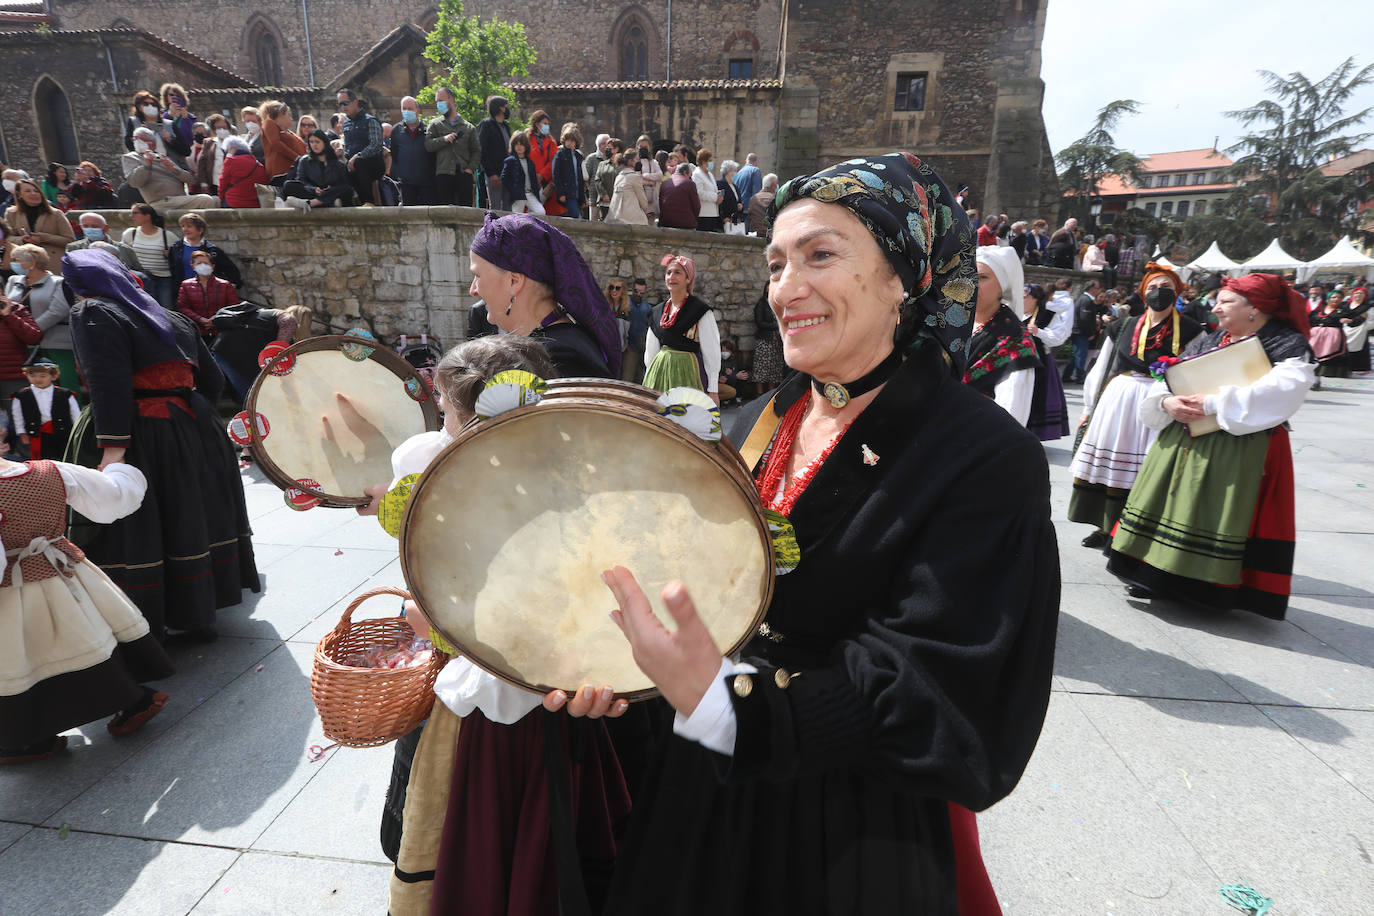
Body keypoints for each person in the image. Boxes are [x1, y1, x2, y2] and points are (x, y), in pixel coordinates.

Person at [556, 152, 1057, 915]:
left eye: (821, 255)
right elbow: (693, 596)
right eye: (776, 263)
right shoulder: (751, 423)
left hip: (843, 829)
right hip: (697, 795)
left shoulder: (982, 457)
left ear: (903, 279)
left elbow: (937, 681)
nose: (786, 288)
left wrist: (730, 707)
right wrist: (622, 670)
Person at [62, 249, 259, 643]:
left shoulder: (94, 312)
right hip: (194, 426)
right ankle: (197, 612)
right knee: (189, 514)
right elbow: (213, 382)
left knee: (140, 521)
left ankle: (144, 619)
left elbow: (108, 384)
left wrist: (113, 451)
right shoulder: (172, 316)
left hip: (140, 431)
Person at [1108, 273, 1316, 618]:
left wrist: (1212, 403)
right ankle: (1154, 575)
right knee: (1171, 505)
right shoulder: (1211, 339)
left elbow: (1281, 392)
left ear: (1255, 309)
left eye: (1226, 301)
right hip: (1184, 438)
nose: (1216, 307)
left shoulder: (1287, 346)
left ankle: (1202, 586)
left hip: (1241, 448)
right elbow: (1170, 376)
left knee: (1213, 512)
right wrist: (1165, 403)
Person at [0, 454, 174, 765]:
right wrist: (116, 470)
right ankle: (136, 699)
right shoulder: (50, 470)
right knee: (89, 639)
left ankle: (30, 737)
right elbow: (114, 497)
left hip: (14, 591)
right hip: (65, 574)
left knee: (25, 659)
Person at [1068, 263, 1202, 551]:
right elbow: (1103, 366)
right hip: (1121, 398)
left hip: (1162, 402)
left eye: (1166, 288)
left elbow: (1195, 370)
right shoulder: (1123, 325)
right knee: (1113, 467)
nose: (1158, 293)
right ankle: (1105, 528)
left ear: (1177, 292)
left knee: (1147, 468)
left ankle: (1135, 531)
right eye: (1152, 288)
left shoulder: (1191, 330)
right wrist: (1089, 407)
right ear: (1143, 293)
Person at [467, 212, 622, 379]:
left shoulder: (559, 361)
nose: (473, 290)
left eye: (478, 275)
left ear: (514, 282)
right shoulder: (556, 348)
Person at [963, 246, 1041, 425]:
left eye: (982, 277)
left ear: (1002, 286)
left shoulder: (1015, 342)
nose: (972, 282)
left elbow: (1010, 417)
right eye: (968, 273)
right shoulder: (951, 323)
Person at [643, 254, 720, 404]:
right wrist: (649, 378)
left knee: (686, 419)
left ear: (688, 279)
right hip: (659, 373)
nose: (672, 277)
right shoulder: (657, 311)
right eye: (669, 273)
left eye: (678, 272)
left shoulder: (700, 311)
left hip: (688, 372)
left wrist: (713, 389)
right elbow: (650, 351)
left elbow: (712, 352)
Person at [4, 244, 77, 397]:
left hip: (57, 342)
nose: (12, 263)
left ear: (32, 263)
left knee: (65, 383)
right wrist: (26, 332)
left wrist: (31, 329)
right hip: (26, 342)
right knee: (36, 387)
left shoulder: (59, 282)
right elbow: (8, 306)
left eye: (16, 260)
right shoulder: (13, 280)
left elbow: (57, 311)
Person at [122, 127, 219, 210]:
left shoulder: (161, 157)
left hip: (179, 199)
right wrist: (147, 166)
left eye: (141, 140)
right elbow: (134, 182)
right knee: (206, 200)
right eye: (135, 139)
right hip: (161, 201)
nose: (137, 142)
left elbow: (192, 180)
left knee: (216, 200)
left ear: (152, 144)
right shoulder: (131, 157)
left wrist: (174, 169)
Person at [1021, 283, 1072, 441]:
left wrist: (1039, 332)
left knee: (1036, 396)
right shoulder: (1012, 312)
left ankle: (1031, 435)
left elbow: (1059, 337)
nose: (1020, 299)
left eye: (1024, 296)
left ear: (1035, 299)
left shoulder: (1048, 315)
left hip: (1039, 363)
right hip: (1013, 362)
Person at [10, 355, 81, 460]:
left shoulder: (65, 394)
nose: (37, 379)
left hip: (63, 433)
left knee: (65, 458)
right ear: (26, 375)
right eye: (32, 376)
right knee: (43, 459)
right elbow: (18, 416)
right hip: (38, 434)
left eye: (42, 376)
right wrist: (22, 432)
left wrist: (77, 431)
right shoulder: (21, 395)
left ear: (53, 376)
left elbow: (75, 414)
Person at [4, 179, 75, 278]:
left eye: (36, 191)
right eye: (28, 191)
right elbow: (6, 237)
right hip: (24, 263)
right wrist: (22, 240)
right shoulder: (11, 213)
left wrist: (44, 238)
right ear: (19, 195)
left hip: (53, 262)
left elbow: (70, 240)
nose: (34, 194)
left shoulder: (56, 214)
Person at [426, 86, 479, 207]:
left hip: (464, 174)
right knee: (444, 211)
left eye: (441, 100)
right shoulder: (434, 124)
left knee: (465, 210)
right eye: (437, 101)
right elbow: (428, 145)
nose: (438, 104)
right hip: (443, 174)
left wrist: (470, 169)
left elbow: (476, 151)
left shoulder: (468, 127)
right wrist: (443, 139)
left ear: (451, 100)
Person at [119, 203, 179, 310]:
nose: (131, 216)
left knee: (167, 308)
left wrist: (170, 254)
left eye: (135, 213)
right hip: (140, 278)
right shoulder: (130, 234)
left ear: (147, 216)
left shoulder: (167, 235)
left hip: (163, 279)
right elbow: (124, 254)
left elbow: (179, 255)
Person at [168, 212, 242, 289]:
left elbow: (230, 269)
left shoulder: (212, 250)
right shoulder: (176, 247)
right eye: (183, 226)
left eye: (189, 226)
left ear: (200, 230)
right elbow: (172, 269)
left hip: (208, 291)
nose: (185, 229)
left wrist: (231, 285)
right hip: (184, 291)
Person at [338, 88, 386, 205]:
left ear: (355, 102)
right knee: (338, 169)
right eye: (340, 104)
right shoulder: (346, 124)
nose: (343, 107)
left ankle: (369, 201)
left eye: (345, 103)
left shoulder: (370, 121)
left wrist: (358, 156)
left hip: (372, 163)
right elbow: (348, 148)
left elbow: (376, 145)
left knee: (360, 162)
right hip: (353, 164)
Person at [283, 130, 354, 209]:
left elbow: (344, 184)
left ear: (324, 143)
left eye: (317, 142)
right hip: (313, 192)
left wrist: (330, 189)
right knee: (288, 185)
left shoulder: (338, 164)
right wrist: (314, 189)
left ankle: (312, 203)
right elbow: (302, 180)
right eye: (311, 142)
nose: (314, 145)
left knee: (346, 189)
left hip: (331, 192)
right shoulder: (304, 161)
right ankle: (328, 202)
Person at [176, 250, 237, 339]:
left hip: (221, 331)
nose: (203, 266)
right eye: (199, 263)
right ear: (193, 266)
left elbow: (234, 306)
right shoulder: (186, 285)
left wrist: (215, 320)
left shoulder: (225, 285)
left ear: (212, 266)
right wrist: (200, 319)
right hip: (197, 332)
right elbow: (183, 307)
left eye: (206, 263)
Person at [391, 96, 436, 206]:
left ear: (417, 110)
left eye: (410, 108)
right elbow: (394, 155)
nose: (407, 111)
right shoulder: (396, 130)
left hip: (427, 183)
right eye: (404, 108)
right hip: (406, 184)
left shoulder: (428, 130)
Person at [1061, 279, 1103, 384]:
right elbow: (1084, 319)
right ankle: (1079, 377)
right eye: (1097, 288)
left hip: (1079, 332)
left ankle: (1067, 375)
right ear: (1092, 289)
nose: (1098, 290)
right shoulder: (1086, 300)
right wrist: (1090, 333)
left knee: (1075, 355)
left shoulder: (1084, 299)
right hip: (1081, 333)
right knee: (1080, 355)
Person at [477, 95, 512, 209]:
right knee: (495, 207)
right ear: (500, 108)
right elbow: (482, 150)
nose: (507, 109)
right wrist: (491, 174)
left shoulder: (506, 127)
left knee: (508, 207)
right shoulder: (486, 125)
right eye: (505, 106)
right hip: (494, 174)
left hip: (507, 173)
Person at [1308, 290, 1352, 379]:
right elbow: (1309, 320)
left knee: (1326, 356)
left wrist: (1347, 321)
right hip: (1315, 337)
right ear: (1328, 299)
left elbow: (1351, 320)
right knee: (1312, 355)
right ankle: (1312, 378)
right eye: (1333, 297)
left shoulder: (1343, 311)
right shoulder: (1318, 310)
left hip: (1332, 338)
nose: (1336, 299)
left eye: (1339, 298)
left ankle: (1317, 380)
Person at [259, 100, 307, 181]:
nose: (291, 118)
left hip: (292, 171)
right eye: (288, 115)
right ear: (280, 114)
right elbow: (276, 143)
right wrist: (297, 158)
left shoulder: (284, 130)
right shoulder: (269, 123)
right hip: (282, 174)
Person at [217, 137, 268, 209]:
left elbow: (223, 182)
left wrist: (220, 197)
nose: (227, 152)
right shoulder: (258, 165)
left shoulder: (230, 161)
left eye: (228, 150)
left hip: (233, 202)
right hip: (254, 204)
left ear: (234, 148)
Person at [500, 131, 544, 214]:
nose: (519, 147)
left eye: (521, 144)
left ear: (526, 146)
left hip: (530, 194)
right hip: (517, 196)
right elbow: (504, 178)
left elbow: (534, 181)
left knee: (541, 212)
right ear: (513, 145)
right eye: (516, 144)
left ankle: (525, 219)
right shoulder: (510, 161)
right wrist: (513, 191)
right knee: (517, 217)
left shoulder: (530, 162)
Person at [606, 148, 651, 225]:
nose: (639, 162)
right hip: (631, 220)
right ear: (630, 161)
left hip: (614, 218)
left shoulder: (619, 177)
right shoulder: (634, 177)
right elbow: (644, 203)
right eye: (637, 159)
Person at [550, 123, 586, 220]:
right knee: (574, 214)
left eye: (572, 140)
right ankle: (553, 220)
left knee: (578, 216)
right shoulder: (560, 154)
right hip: (567, 192)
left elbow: (580, 178)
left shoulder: (579, 156)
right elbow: (556, 174)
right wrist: (561, 193)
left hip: (577, 192)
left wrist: (583, 198)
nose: (569, 143)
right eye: (567, 140)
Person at [124, 90, 174, 156]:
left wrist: (169, 140)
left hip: (167, 160)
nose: (150, 106)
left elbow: (184, 149)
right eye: (146, 104)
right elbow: (129, 143)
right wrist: (137, 138)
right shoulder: (134, 121)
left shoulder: (169, 124)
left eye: (153, 104)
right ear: (139, 106)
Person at [622, 278, 653, 383]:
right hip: (630, 349)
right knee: (627, 379)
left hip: (643, 350)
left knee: (640, 381)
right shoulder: (626, 303)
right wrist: (627, 344)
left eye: (641, 292)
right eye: (636, 291)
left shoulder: (647, 307)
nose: (638, 294)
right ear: (633, 289)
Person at [657, 162, 700, 230]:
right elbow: (696, 206)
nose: (690, 177)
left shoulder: (665, 183)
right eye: (690, 175)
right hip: (686, 223)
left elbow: (660, 204)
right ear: (685, 172)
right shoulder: (690, 183)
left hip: (666, 222)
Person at [692, 149, 723, 232]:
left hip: (713, 212)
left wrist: (719, 197)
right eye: (709, 160)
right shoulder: (697, 174)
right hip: (703, 214)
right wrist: (715, 197)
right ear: (703, 161)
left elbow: (713, 190)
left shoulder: (710, 174)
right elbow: (699, 193)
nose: (711, 163)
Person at [584, 133, 612, 220]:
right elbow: (586, 177)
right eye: (605, 143)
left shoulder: (612, 159)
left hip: (609, 198)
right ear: (599, 145)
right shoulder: (591, 158)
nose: (607, 146)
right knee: (593, 222)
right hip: (594, 197)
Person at [635, 135, 664, 219]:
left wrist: (645, 176)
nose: (643, 148)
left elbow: (659, 175)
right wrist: (651, 181)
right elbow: (636, 178)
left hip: (652, 197)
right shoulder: (635, 162)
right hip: (639, 196)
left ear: (650, 147)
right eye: (641, 146)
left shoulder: (653, 162)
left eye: (645, 146)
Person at [1344, 286, 1371, 373]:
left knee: (1361, 349)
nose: (1358, 295)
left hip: (1361, 330)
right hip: (1345, 329)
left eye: (1361, 293)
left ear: (1364, 295)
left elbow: (1369, 317)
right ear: (1352, 295)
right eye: (1356, 293)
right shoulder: (1345, 305)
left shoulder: (1367, 306)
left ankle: (1360, 368)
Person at [717, 159, 744, 230]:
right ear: (728, 171)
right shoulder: (720, 184)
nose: (736, 173)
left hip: (735, 221)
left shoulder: (735, 186)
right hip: (726, 221)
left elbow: (738, 200)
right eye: (735, 171)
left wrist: (740, 205)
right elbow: (719, 203)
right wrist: (723, 218)